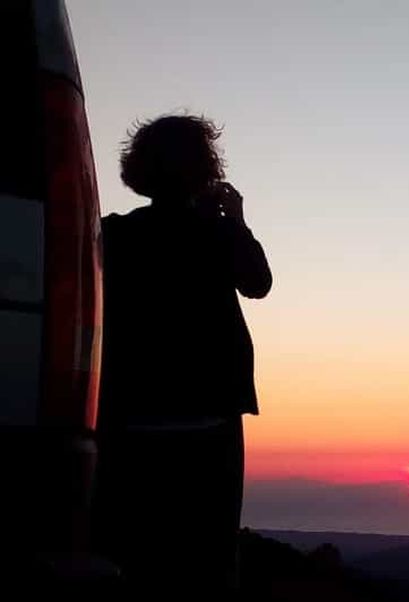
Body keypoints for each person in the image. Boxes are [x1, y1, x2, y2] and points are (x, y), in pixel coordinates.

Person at [93, 114, 272, 588]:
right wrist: (235, 221)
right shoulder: (218, 234)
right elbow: (259, 283)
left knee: (133, 558)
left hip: (130, 422)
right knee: (208, 563)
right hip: (209, 423)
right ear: (204, 169)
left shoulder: (111, 235)